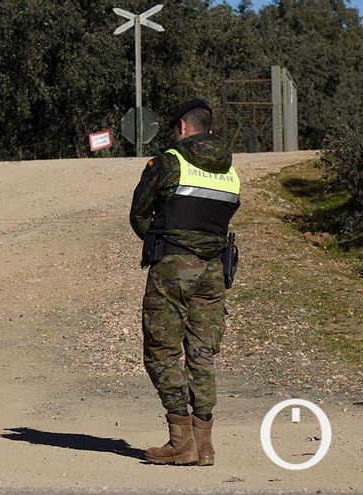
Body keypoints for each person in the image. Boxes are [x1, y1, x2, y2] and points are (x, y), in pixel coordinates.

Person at [129, 98, 241, 466]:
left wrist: (159, 240)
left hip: (173, 267)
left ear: (182, 126)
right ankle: (204, 443)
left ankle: (181, 440)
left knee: (161, 351)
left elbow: (139, 214)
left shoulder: (169, 162)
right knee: (202, 355)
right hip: (214, 273)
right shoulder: (229, 170)